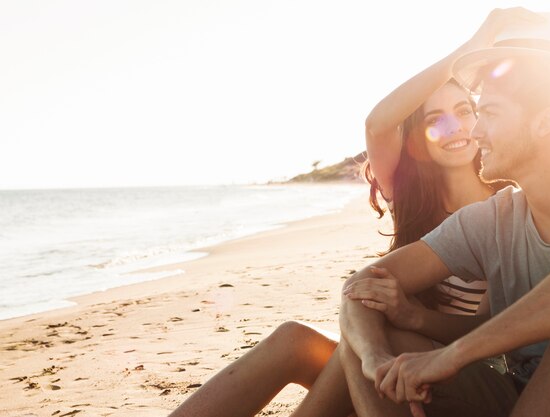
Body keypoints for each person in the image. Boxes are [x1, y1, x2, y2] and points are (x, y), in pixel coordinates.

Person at [167, 9, 529, 417]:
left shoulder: (508, 204)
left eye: (465, 111)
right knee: (294, 340)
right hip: (386, 358)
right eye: (435, 119)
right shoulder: (409, 197)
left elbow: (491, 326)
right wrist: (472, 47)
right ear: (419, 139)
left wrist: (412, 317)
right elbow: (378, 123)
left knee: (363, 345)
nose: (456, 127)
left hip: (462, 366)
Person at [339, 9, 550, 417]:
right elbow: (362, 286)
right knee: (374, 333)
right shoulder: (494, 217)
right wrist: (376, 359)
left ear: (545, 121)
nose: (474, 132)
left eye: (488, 113)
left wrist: (455, 354)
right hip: (514, 393)